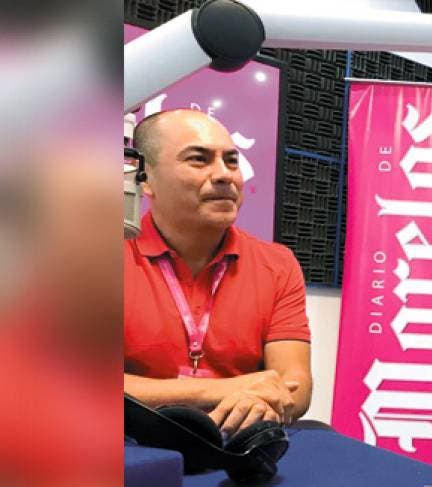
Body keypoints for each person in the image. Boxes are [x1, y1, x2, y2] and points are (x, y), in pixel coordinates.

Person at [124, 109, 313, 438]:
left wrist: (267, 404)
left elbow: (295, 384)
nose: (225, 175)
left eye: (232, 161)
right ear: (145, 180)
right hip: (131, 443)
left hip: (239, 438)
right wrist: (220, 390)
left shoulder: (278, 264)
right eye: (199, 159)